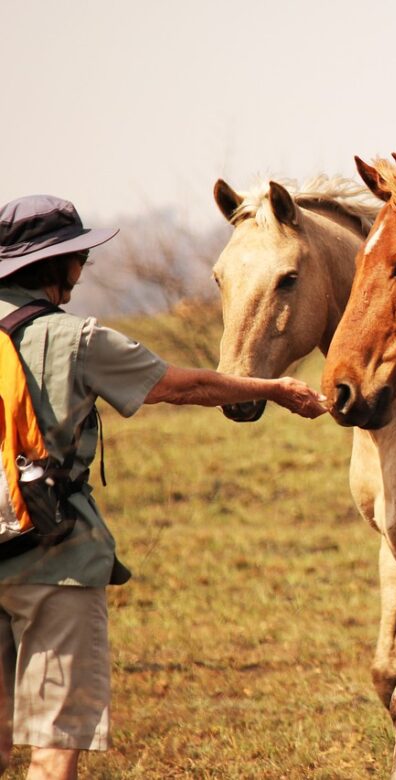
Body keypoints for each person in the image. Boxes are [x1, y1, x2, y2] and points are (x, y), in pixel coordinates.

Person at [0, 194, 329, 780]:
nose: (84, 268)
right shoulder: (77, 339)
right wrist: (273, 388)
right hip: (57, 560)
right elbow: (182, 387)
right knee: (54, 746)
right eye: (79, 257)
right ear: (57, 266)